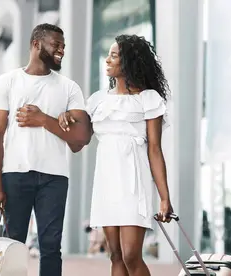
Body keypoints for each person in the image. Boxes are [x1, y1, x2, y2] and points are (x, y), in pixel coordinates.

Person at [57, 34, 173, 276]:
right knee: (115, 255)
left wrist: (164, 197)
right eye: (107, 55)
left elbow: (154, 149)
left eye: (114, 55)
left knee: (131, 255)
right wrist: (65, 117)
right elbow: (80, 136)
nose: (107, 60)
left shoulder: (148, 99)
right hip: (106, 180)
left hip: (134, 182)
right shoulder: (98, 100)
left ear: (129, 61)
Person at [0, 23, 91, 276]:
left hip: (54, 178)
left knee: (51, 247)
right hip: (14, 175)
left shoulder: (69, 87)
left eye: (63, 46)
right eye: (56, 45)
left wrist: (44, 119)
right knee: (12, 247)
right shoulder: (6, 82)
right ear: (36, 44)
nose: (61, 51)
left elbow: (81, 139)